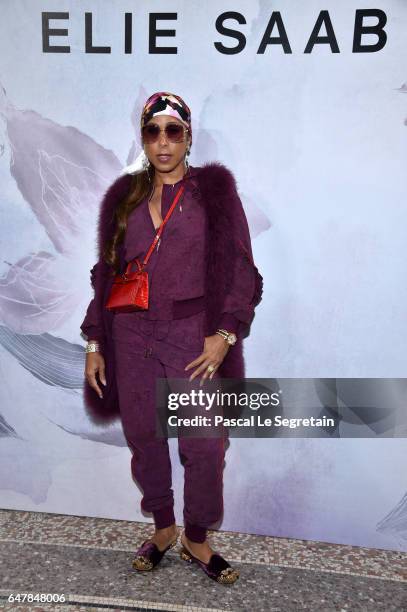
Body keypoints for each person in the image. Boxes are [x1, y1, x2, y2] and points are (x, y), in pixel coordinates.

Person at [80, 91, 263, 585]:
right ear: (143, 137)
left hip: (190, 337)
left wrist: (224, 334)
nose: (163, 142)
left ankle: (195, 535)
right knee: (145, 437)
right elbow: (107, 274)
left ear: (187, 137)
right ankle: (163, 527)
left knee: (204, 445)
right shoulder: (126, 197)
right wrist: (95, 342)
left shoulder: (215, 194)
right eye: (153, 131)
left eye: (173, 131)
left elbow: (243, 270)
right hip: (130, 334)